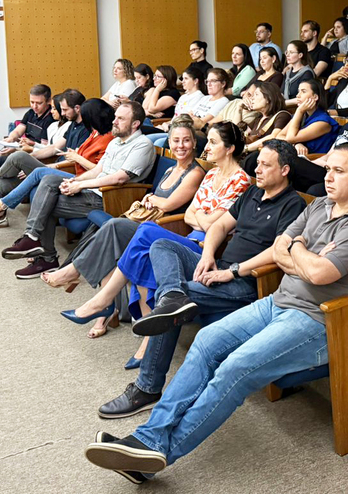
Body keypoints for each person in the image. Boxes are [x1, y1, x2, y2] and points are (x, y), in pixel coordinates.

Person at [83, 145, 348, 482]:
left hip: (319, 321)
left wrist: (298, 246)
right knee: (206, 341)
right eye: (327, 169)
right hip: (278, 301)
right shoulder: (320, 206)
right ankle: (148, 438)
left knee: (234, 370)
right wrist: (304, 252)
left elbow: (317, 273)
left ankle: (154, 453)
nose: (327, 177)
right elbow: (279, 251)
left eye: (338, 171)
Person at [97, 140, 306, 417]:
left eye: (266, 165)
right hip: (218, 265)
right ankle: (173, 295)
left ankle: (147, 387)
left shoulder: (293, 204)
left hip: (246, 283)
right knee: (161, 245)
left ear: (285, 170)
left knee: (169, 306)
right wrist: (208, 255)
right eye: (258, 163)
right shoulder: (253, 193)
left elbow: (276, 251)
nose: (258, 169)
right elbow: (219, 225)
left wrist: (232, 271)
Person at [60, 123, 251, 339]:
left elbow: (214, 226)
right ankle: (140, 330)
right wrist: (202, 218)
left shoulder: (240, 180)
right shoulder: (211, 174)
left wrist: (201, 217)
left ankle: (103, 300)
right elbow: (190, 215)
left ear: (230, 148)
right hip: (188, 238)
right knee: (143, 249)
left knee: (146, 230)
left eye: (213, 142)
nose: (207, 147)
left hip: (208, 250)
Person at [40, 119, 205, 338]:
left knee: (114, 226)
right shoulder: (170, 170)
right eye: (176, 140)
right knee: (111, 240)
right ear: (169, 143)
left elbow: (168, 204)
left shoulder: (195, 173)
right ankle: (105, 310)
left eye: (186, 140)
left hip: (168, 231)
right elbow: (156, 198)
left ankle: (76, 274)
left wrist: (154, 199)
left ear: (194, 143)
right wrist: (150, 197)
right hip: (149, 223)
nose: (180, 145)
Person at [0, 101, 156, 278]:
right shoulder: (115, 143)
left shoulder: (142, 145)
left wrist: (79, 185)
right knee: (49, 181)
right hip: (93, 192)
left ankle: (45, 256)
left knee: (44, 201)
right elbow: (97, 170)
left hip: (109, 197)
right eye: (115, 117)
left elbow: (119, 178)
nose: (114, 122)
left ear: (135, 124)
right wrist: (74, 180)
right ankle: (34, 239)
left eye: (120, 119)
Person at [0, 100, 116, 253]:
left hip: (77, 182)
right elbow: (59, 151)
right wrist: (53, 163)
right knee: (2, 182)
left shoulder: (109, 139)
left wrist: (75, 158)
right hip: (66, 174)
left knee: (24, 161)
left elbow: (99, 170)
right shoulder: (94, 133)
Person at [279, 88, 348, 193]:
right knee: (296, 175)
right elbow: (329, 154)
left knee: (291, 163)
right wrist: (310, 163)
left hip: (342, 175)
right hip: (326, 168)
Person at [0, 84, 55, 185]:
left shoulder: (50, 119)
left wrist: (17, 149)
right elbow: (18, 130)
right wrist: (11, 138)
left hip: (29, 153)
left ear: (48, 101)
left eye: (39, 103)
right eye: (32, 102)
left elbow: (43, 149)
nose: (34, 106)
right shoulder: (30, 113)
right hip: (21, 148)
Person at [272, 78, 340, 156]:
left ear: (315, 97)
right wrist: (296, 144)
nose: (298, 95)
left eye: (303, 91)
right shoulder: (302, 116)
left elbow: (290, 138)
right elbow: (279, 136)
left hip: (314, 161)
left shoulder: (323, 122)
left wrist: (299, 111)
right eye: (298, 91)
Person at [144, 70, 205, 147]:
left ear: (195, 81)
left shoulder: (199, 97)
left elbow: (187, 119)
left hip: (179, 131)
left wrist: (169, 126)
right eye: (182, 79)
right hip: (170, 127)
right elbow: (176, 116)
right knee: (146, 137)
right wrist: (166, 124)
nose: (182, 81)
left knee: (153, 140)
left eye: (186, 79)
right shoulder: (183, 97)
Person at [241, 82, 293, 153]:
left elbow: (274, 136)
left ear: (268, 98)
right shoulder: (258, 118)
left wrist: (247, 148)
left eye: (256, 94)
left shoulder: (282, 115)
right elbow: (242, 135)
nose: (252, 98)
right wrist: (240, 108)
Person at [282, 40, 315, 107]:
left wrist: (283, 103)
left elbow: (303, 98)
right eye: (287, 52)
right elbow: (281, 92)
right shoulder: (288, 73)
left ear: (300, 55)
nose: (287, 55)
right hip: (286, 107)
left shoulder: (307, 73)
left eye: (291, 52)